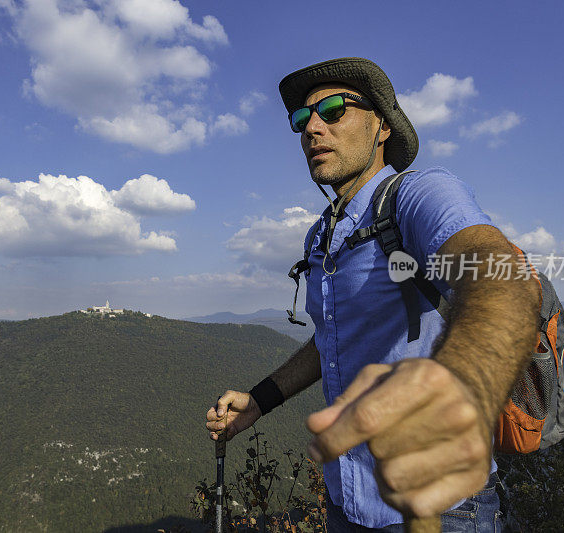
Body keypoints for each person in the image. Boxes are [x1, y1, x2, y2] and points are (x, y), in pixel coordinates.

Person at [205, 57, 540, 532]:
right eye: (303, 119)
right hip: (346, 504)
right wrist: (259, 400)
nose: (312, 128)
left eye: (334, 109)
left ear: (382, 126)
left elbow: (501, 277)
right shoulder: (321, 235)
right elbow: (334, 340)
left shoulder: (419, 194)